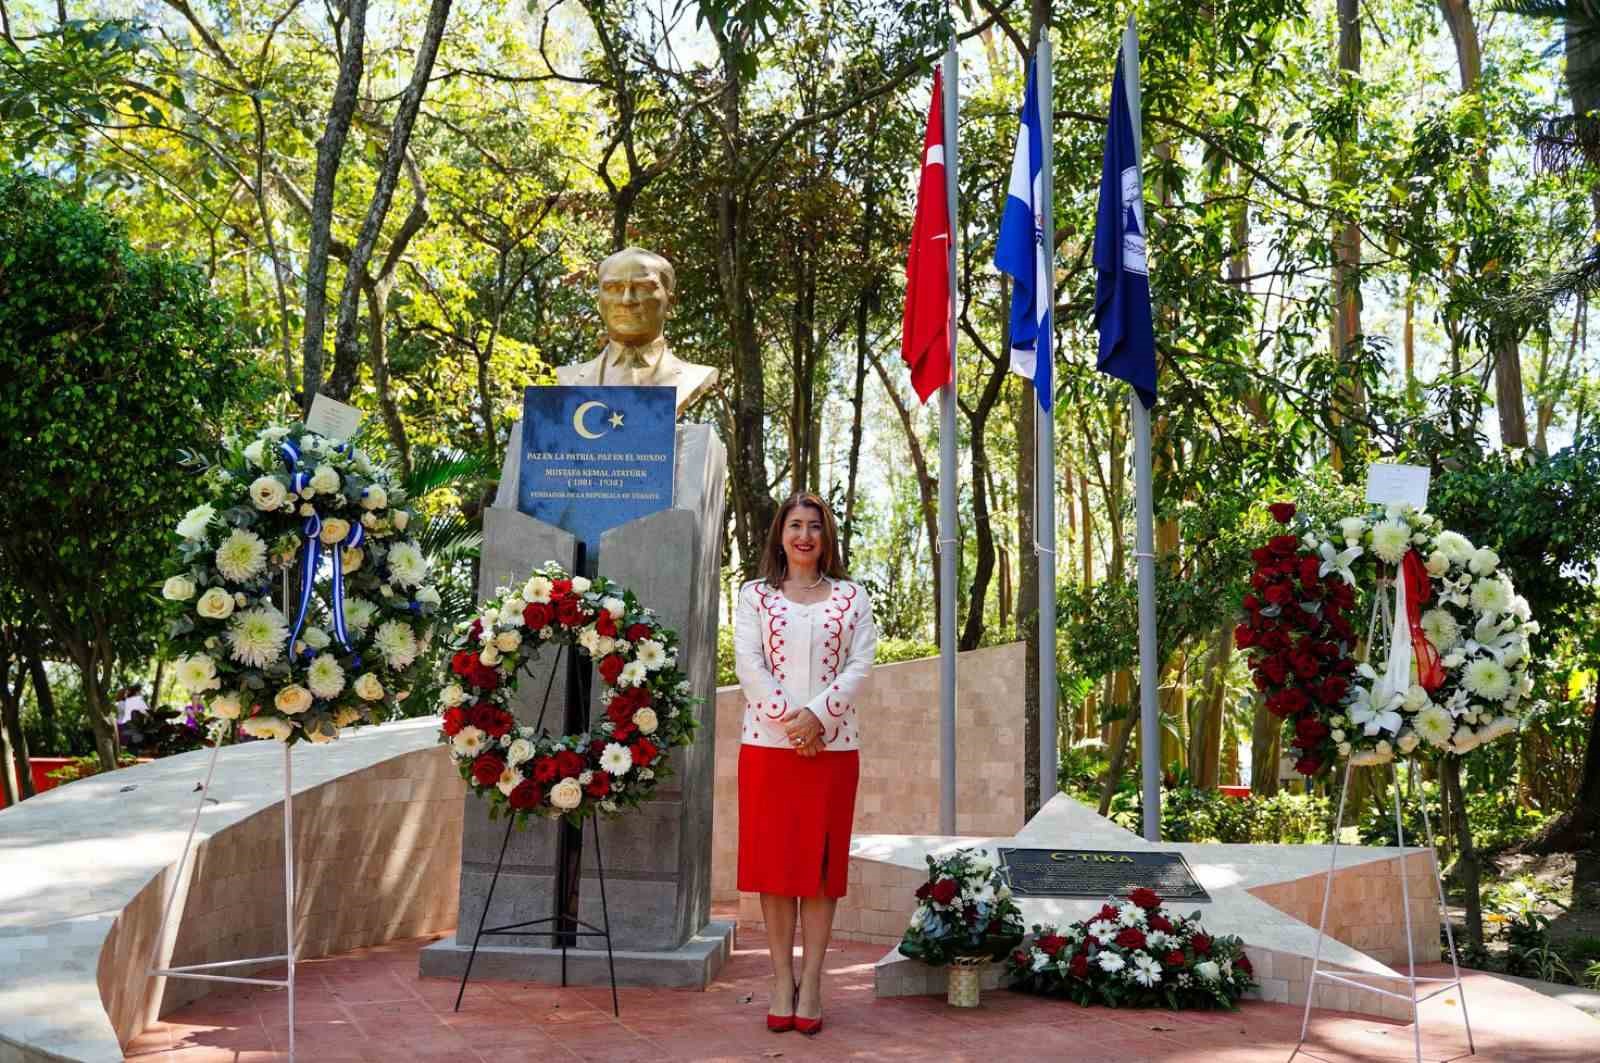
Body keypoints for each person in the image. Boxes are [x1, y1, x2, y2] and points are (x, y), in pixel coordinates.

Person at [734, 492, 878, 1036]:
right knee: (775, 869)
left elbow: (861, 663)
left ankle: (813, 982)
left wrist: (818, 717)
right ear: (780, 534)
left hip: (833, 750)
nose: (804, 536)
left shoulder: (852, 597)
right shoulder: (754, 597)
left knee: (819, 872)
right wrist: (790, 722)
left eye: (814, 527)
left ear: (827, 537)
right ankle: (779, 980)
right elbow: (748, 663)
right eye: (795, 525)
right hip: (768, 749)